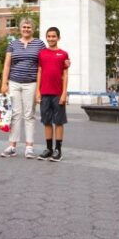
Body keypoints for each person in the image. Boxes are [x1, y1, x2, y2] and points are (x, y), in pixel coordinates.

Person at [0, 18, 46, 158]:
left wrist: (64, 63)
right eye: (24, 27)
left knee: (29, 114)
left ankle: (29, 147)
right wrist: (4, 83)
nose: (26, 29)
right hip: (14, 82)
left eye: (29, 27)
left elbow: (42, 64)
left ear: (33, 29)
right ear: (20, 28)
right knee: (15, 114)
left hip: (31, 83)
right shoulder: (13, 43)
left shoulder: (39, 44)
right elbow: (7, 64)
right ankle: (12, 146)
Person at [36, 27, 69, 162]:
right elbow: (39, 71)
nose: (51, 38)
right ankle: (49, 149)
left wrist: (64, 93)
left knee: (59, 122)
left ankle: (58, 150)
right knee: (47, 122)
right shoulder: (42, 53)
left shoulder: (63, 54)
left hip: (58, 94)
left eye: (53, 36)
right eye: (48, 36)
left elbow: (66, 75)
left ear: (58, 38)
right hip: (44, 93)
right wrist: (38, 91)